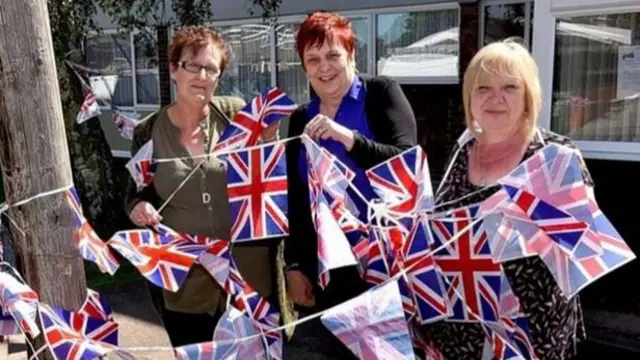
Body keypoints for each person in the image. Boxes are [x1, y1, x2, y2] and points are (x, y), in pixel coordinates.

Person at [421, 38, 591, 359]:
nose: (495, 98)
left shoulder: (555, 157)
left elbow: (583, 248)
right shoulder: (460, 152)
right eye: (483, 88)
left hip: (530, 334)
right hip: (459, 332)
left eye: (510, 87)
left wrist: (524, 222)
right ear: (469, 98)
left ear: (528, 97)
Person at [123, 25, 286, 347]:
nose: (201, 75)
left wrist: (271, 139)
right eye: (192, 65)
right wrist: (138, 208)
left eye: (211, 68)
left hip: (247, 276)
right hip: (187, 282)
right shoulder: (148, 132)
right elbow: (134, 192)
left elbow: (269, 173)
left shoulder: (236, 115)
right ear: (174, 69)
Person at [283, 11, 418, 357]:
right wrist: (295, 265)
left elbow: (407, 162)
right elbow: (298, 199)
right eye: (313, 59)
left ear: (352, 56)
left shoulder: (381, 94)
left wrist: (350, 140)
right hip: (328, 270)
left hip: (385, 267)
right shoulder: (301, 118)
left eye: (333, 55)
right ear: (304, 67)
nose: (324, 67)